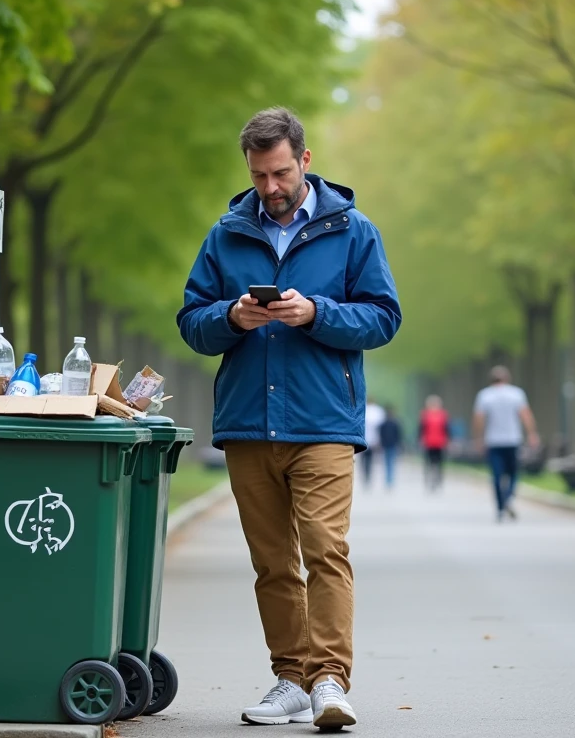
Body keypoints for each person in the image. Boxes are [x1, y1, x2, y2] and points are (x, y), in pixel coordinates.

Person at [177, 107, 401, 730]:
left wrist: (317, 313)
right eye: (258, 176)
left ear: (305, 161)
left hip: (323, 422)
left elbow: (383, 317)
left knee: (326, 551)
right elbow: (191, 323)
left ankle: (330, 680)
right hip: (249, 424)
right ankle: (290, 679)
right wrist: (230, 318)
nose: (270, 188)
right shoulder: (225, 236)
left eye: (279, 173)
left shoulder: (354, 232)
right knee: (273, 562)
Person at [472, 366, 539, 521]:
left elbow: (479, 419)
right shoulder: (516, 393)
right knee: (513, 473)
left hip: (493, 441)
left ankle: (500, 506)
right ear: (507, 378)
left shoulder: (484, 395)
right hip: (512, 439)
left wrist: (478, 438)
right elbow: (526, 415)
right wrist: (532, 434)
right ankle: (508, 497)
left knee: (496, 475)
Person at [418, 395, 449, 491]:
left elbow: (446, 429)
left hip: (439, 442)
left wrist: (448, 440)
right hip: (429, 442)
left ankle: (437, 479)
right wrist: (420, 439)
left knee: (438, 463)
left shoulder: (443, 414)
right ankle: (431, 479)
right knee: (430, 463)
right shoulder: (425, 414)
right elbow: (421, 429)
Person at [359, 398, 386, 488]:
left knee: (365, 460)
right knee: (369, 460)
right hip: (372, 440)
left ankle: (366, 476)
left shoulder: (363, 410)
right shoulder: (377, 412)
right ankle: (368, 476)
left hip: (364, 439)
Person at [377, 407, 402, 489]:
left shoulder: (384, 424)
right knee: (390, 462)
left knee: (388, 462)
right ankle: (389, 479)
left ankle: (389, 479)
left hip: (388, 445)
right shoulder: (395, 423)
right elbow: (398, 435)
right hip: (391, 445)